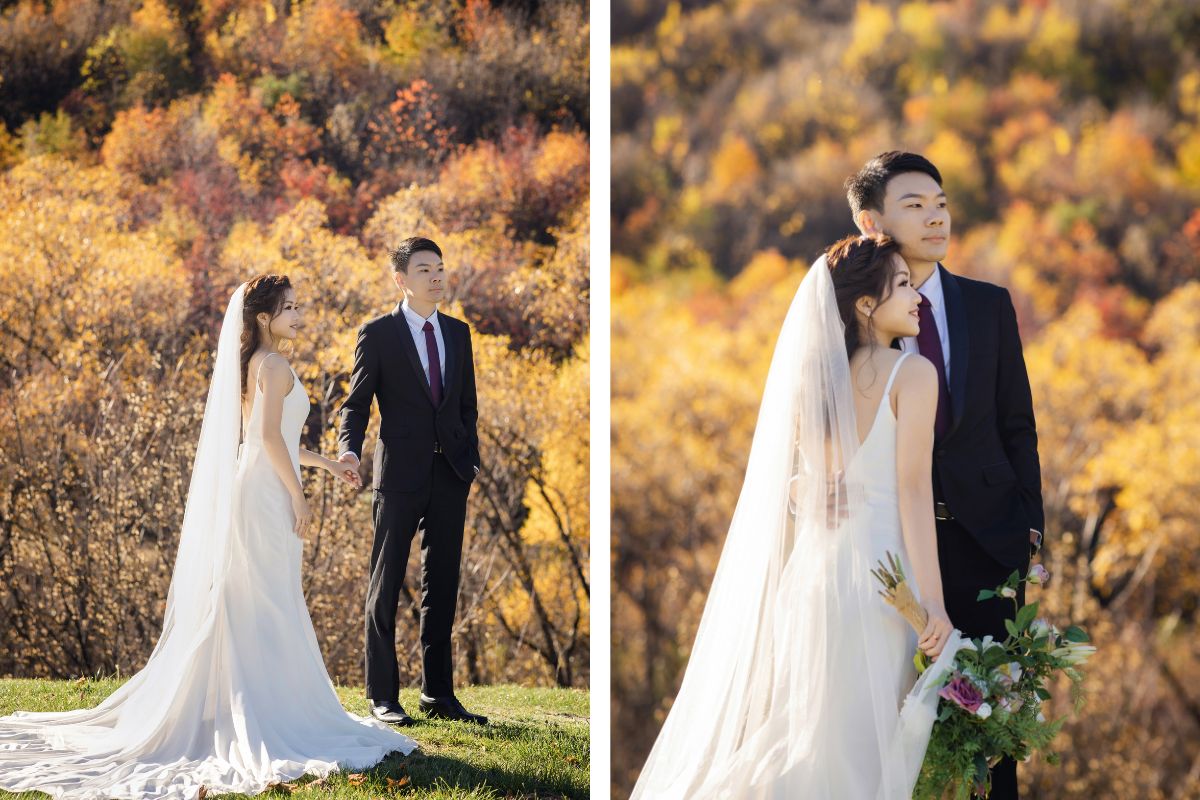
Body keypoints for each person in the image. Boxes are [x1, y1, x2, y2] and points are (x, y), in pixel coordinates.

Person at [0, 275, 418, 800]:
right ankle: (258, 708)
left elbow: (274, 440)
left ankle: (247, 699)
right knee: (263, 599)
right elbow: (266, 438)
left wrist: (326, 464)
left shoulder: (256, 365)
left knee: (259, 598)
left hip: (260, 484)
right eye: (289, 308)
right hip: (266, 496)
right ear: (264, 318)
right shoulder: (272, 365)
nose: (299, 315)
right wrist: (298, 494)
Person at [631, 234, 965, 799]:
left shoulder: (814, 379)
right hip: (885, 584)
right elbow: (911, 492)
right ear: (864, 302)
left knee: (809, 736)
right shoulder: (913, 374)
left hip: (816, 577)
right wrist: (932, 607)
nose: (919, 298)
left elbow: (800, 483)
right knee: (861, 754)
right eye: (904, 285)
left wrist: (800, 489)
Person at [847, 151, 1045, 800]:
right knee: (899, 728)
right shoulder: (854, 316)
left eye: (942, 203)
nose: (936, 217)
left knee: (990, 735)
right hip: (893, 560)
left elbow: (1017, 426)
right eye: (914, 205)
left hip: (988, 551)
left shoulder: (989, 306)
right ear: (871, 219)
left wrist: (1030, 539)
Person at [336, 237, 486, 727]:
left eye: (440, 268)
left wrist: (472, 460)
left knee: (441, 585)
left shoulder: (459, 334)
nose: (436, 277)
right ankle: (383, 696)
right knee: (385, 584)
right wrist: (349, 450)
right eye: (425, 269)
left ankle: (438, 694)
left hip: (451, 475)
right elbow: (357, 404)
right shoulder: (377, 334)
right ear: (401, 279)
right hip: (398, 476)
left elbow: (467, 405)